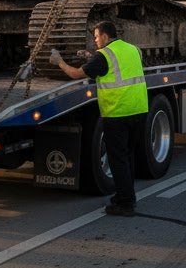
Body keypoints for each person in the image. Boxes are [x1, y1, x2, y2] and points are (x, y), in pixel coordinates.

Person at [50, 21, 147, 216]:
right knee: (127, 157)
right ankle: (126, 196)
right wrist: (90, 58)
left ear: (104, 36)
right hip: (139, 110)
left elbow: (76, 74)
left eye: (95, 37)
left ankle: (126, 204)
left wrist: (59, 61)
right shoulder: (133, 49)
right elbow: (118, 67)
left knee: (117, 160)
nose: (94, 40)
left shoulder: (104, 55)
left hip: (117, 113)